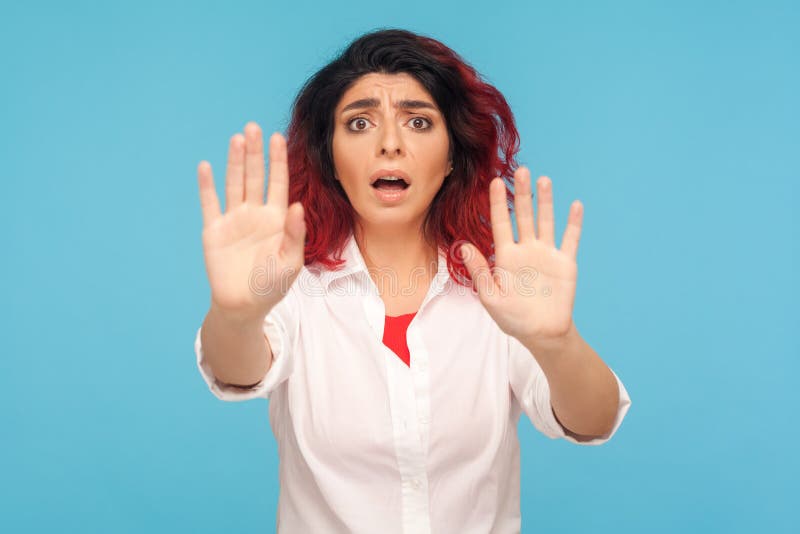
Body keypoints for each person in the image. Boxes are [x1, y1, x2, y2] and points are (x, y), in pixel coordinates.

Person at [194, 28, 631, 534]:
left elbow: (593, 420)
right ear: (330, 156)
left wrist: (556, 342)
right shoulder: (291, 284)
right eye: (359, 122)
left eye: (418, 122)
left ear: (452, 156)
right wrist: (237, 315)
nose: (389, 145)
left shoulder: (500, 290)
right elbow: (237, 368)